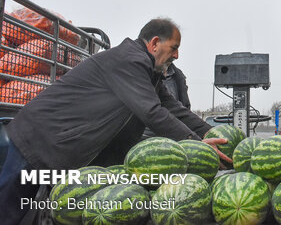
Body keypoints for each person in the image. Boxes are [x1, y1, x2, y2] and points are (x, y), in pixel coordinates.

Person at [0, 18, 230, 225]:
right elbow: (151, 111)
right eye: (174, 48)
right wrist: (195, 143)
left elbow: (173, 108)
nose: (177, 55)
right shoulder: (129, 61)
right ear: (155, 43)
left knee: (31, 211)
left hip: (57, 145)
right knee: (9, 212)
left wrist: (212, 133)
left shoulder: (147, 72)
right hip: (39, 140)